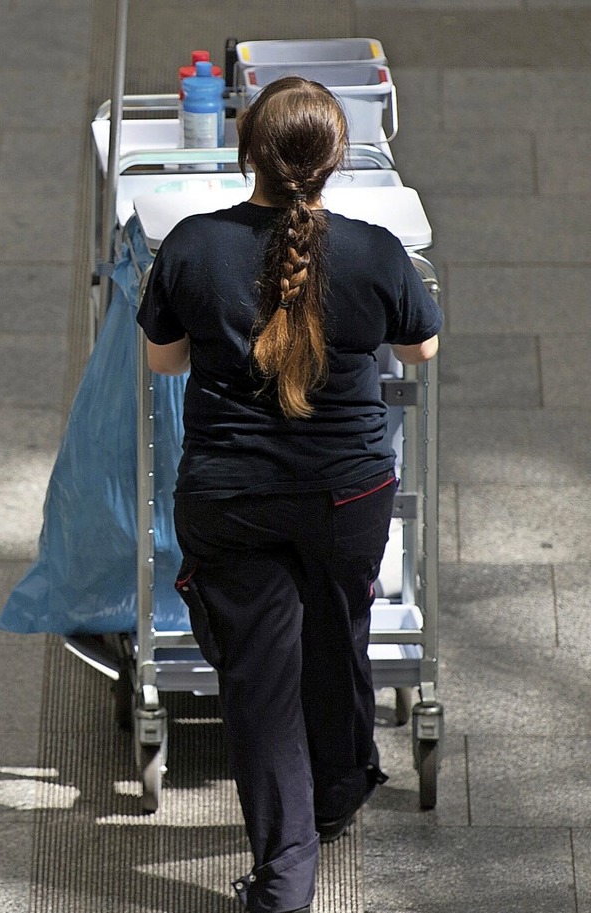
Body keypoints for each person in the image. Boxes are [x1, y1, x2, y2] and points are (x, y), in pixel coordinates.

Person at [137, 76, 443, 913]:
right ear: (336, 162)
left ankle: (285, 876)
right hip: (347, 498)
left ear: (247, 156)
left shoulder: (194, 248)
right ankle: (339, 788)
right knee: (336, 623)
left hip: (232, 503)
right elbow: (422, 349)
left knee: (262, 679)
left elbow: (164, 361)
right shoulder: (377, 253)